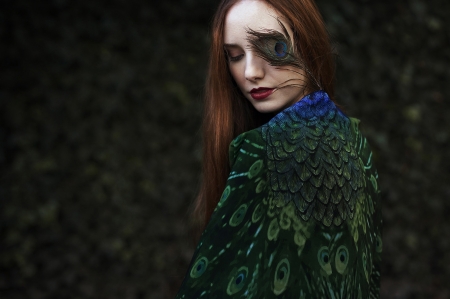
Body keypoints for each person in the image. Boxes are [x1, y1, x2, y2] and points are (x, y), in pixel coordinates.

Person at [175, 0, 382, 298]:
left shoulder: (265, 150)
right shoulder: (355, 142)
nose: (250, 72)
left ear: (310, 43)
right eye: (234, 56)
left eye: (276, 49)